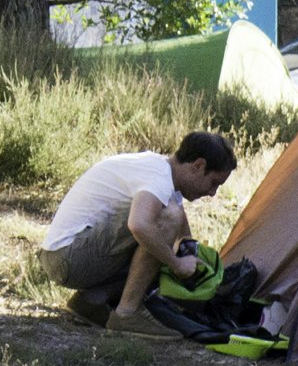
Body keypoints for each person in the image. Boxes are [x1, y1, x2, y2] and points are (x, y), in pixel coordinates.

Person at [44, 130, 238, 335]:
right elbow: (140, 225)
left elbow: (184, 239)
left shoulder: (164, 174)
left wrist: (194, 265)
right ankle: (127, 314)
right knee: (166, 219)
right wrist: (177, 263)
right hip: (68, 257)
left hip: (69, 257)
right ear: (198, 166)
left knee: (164, 241)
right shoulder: (158, 177)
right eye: (214, 183)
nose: (212, 193)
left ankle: (90, 301)